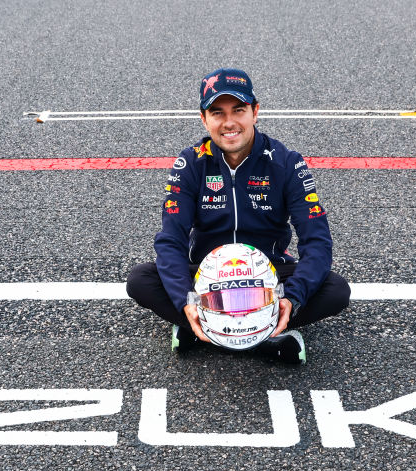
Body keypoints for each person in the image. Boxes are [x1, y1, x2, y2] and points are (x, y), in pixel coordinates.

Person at [126, 67, 351, 364]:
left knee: (336, 290)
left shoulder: (287, 163)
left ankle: (202, 333)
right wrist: (185, 301)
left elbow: (317, 241)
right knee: (140, 280)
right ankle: (265, 339)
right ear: (204, 118)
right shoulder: (190, 163)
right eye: (217, 112)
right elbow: (170, 239)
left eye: (239, 110)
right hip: (208, 277)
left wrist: (292, 299)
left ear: (255, 112)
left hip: (268, 273)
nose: (229, 123)